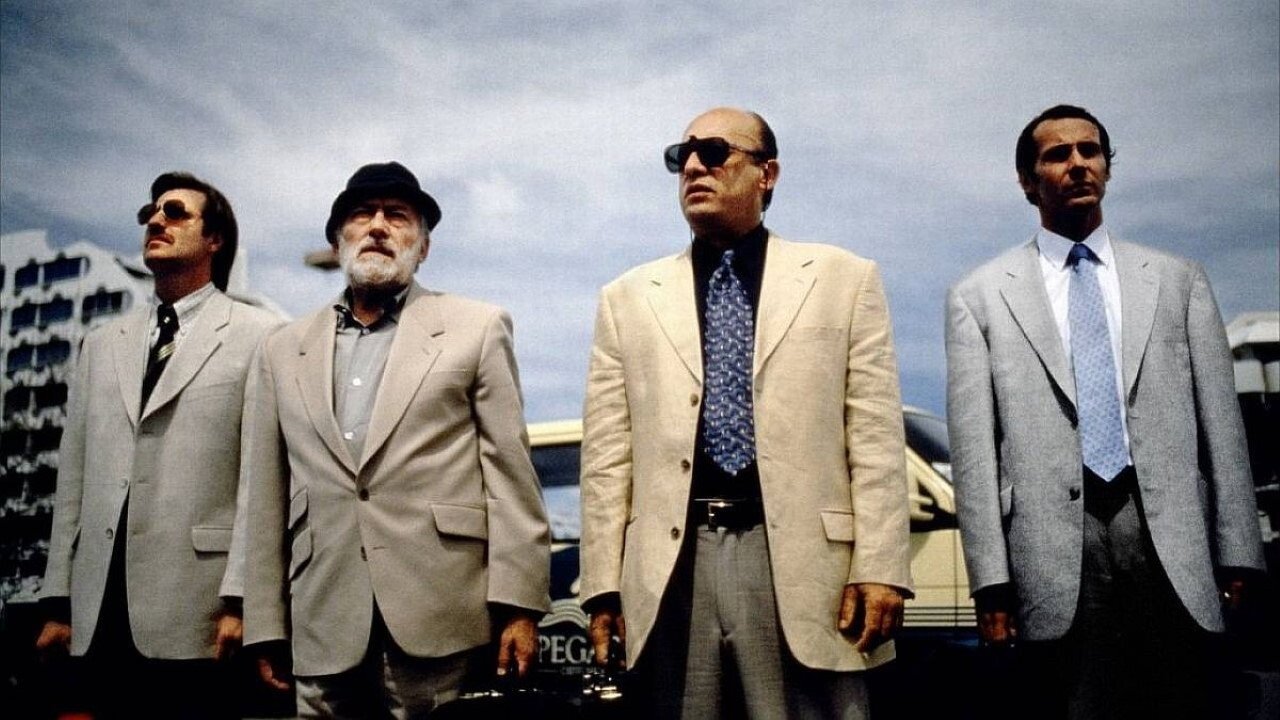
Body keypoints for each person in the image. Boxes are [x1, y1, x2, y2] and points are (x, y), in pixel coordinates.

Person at [579, 107, 913, 719]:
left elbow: (875, 436)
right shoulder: (626, 298)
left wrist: (882, 566)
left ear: (767, 173)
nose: (693, 167)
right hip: (671, 567)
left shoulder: (844, 279)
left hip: (806, 564)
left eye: (713, 152)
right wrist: (603, 586)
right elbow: (607, 458)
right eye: (681, 156)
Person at [946, 104, 1266, 719]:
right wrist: (990, 582)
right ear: (1027, 181)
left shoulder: (1178, 280)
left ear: (1107, 168)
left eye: (1089, 151)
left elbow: (1221, 428)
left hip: (1171, 537)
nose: (1077, 165)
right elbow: (974, 452)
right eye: (1057, 155)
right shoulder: (979, 296)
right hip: (1053, 552)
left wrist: (1239, 550)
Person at [241, 161, 551, 718]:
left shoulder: (477, 326)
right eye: (362, 215)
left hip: (442, 617)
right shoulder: (281, 348)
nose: (379, 226)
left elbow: (510, 475)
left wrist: (520, 606)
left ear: (423, 247)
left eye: (398, 216)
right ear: (338, 241)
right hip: (320, 621)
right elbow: (265, 494)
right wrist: (264, 623)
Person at [35, 171, 281, 718]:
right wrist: (57, 601)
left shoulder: (260, 336)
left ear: (214, 239)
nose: (155, 221)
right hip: (101, 611)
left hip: (200, 612)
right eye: (150, 213)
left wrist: (245, 601)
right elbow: (72, 480)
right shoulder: (100, 345)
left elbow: (260, 479)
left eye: (174, 213)